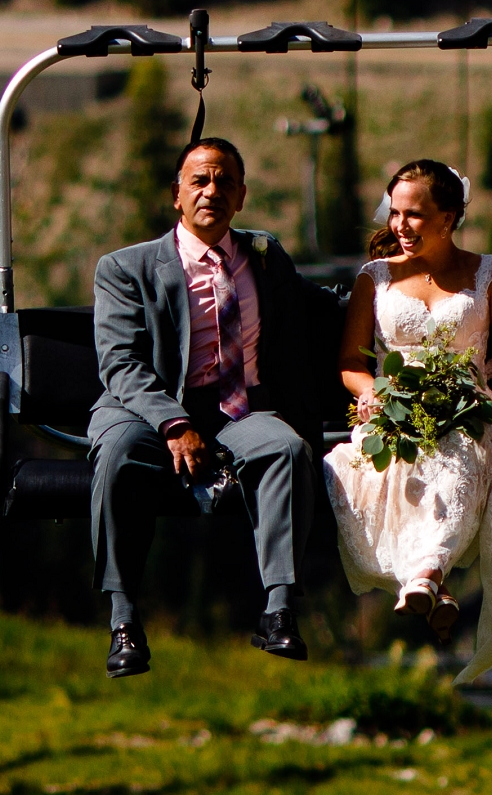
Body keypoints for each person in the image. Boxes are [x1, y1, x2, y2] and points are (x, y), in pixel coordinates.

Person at [322, 159, 492, 669]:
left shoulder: (485, 272)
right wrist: (372, 394)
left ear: (449, 218)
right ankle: (432, 575)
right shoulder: (375, 278)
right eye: (395, 214)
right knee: (403, 462)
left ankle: (426, 573)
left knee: (463, 451)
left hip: (467, 406)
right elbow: (350, 362)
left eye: (415, 215)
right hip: (395, 408)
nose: (400, 226)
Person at [86, 137, 332, 678]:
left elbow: (307, 309)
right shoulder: (126, 268)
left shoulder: (264, 257)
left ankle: (279, 609)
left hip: (235, 408)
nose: (211, 191)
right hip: (150, 406)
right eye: (199, 180)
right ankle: (124, 618)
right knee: (118, 455)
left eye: (224, 181)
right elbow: (122, 363)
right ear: (177, 194)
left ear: (241, 196)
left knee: (286, 449)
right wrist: (173, 424)